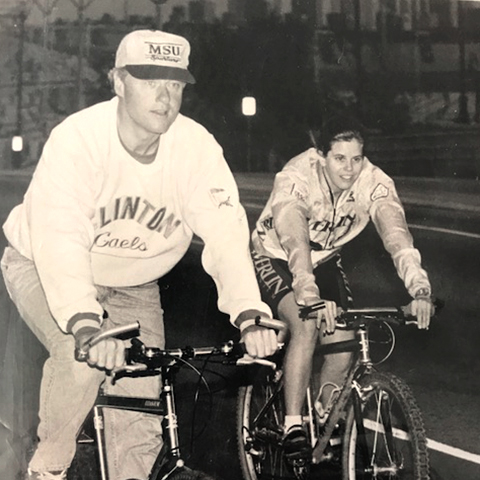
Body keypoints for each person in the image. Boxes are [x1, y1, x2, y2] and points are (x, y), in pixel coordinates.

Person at [1, 29, 278, 480]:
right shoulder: (78, 140)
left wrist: (249, 313)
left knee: (143, 406)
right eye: (151, 82)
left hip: (134, 284)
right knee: (80, 359)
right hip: (40, 265)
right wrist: (88, 325)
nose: (165, 97)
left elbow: (227, 237)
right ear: (118, 81)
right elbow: (60, 239)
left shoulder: (196, 148)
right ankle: (47, 469)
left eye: (175, 85)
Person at [250, 117, 433, 462]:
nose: (349, 169)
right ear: (321, 155)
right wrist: (309, 296)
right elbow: (296, 242)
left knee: (344, 334)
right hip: (277, 255)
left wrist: (419, 288)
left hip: (324, 258)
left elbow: (397, 236)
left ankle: (324, 412)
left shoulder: (374, 182)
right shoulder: (296, 178)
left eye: (356, 158)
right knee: (306, 323)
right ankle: (292, 425)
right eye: (339, 159)